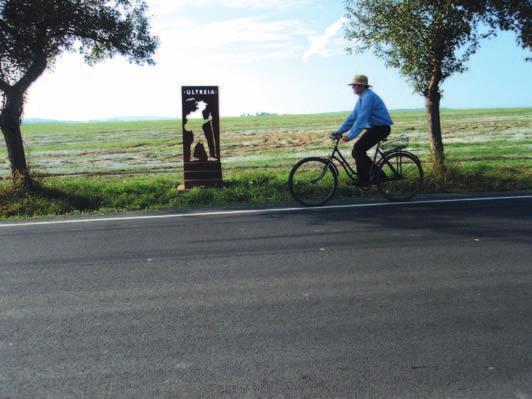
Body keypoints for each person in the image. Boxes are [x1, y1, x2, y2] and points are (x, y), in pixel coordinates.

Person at [333, 74, 393, 186]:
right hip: (375, 128)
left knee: (358, 150)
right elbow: (353, 117)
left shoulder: (368, 97)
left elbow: (361, 119)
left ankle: (370, 178)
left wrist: (350, 136)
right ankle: (368, 177)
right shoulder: (362, 98)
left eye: (354, 85)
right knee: (357, 151)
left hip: (381, 128)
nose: (352, 88)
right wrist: (339, 131)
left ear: (361, 86)